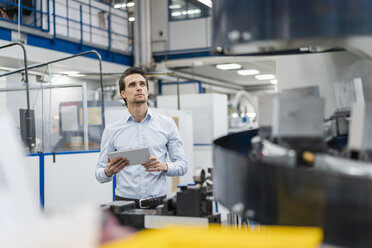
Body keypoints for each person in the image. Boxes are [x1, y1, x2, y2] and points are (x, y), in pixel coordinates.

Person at [95, 67, 188, 208]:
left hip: (159, 204)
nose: (139, 88)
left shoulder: (167, 124)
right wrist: (108, 172)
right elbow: (99, 173)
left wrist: (163, 166)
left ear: (147, 91)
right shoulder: (112, 129)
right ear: (123, 93)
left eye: (142, 84)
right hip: (124, 205)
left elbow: (182, 165)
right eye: (132, 85)